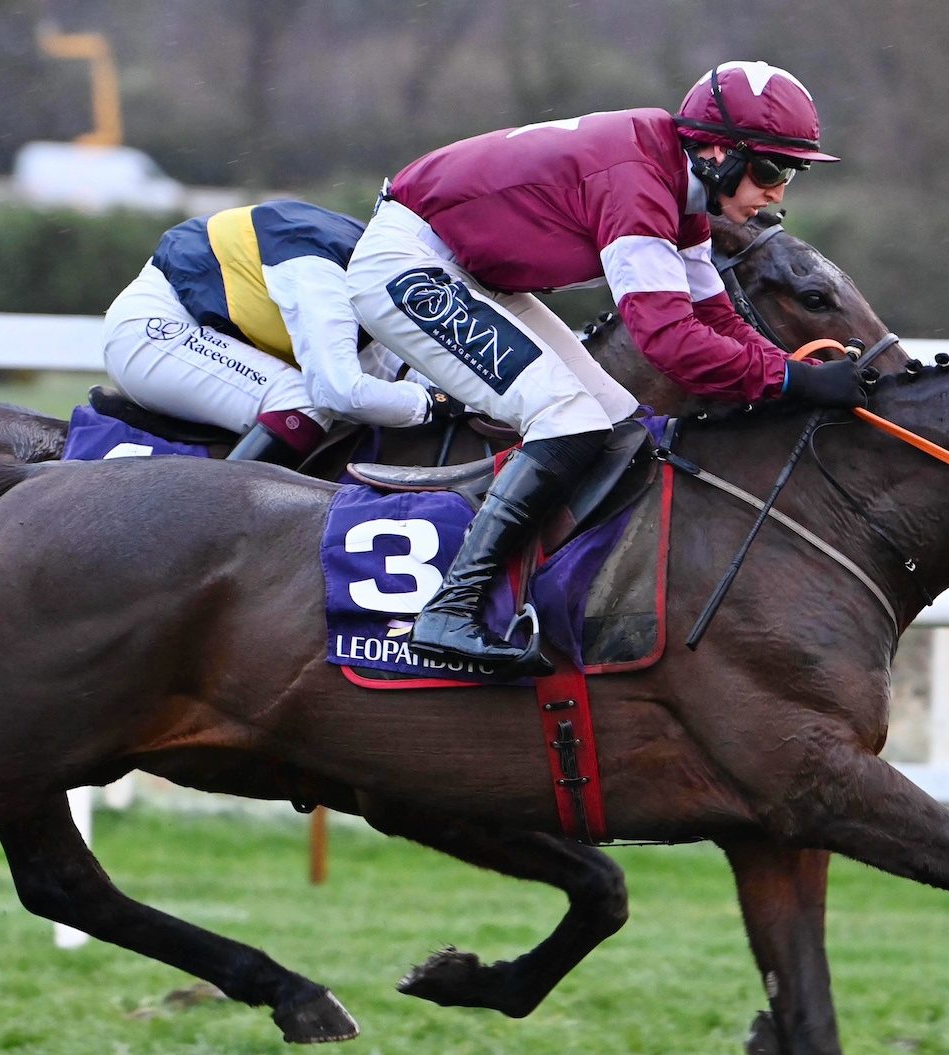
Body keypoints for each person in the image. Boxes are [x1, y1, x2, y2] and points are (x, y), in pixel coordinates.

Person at [347, 61, 867, 677]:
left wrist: (790, 368)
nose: (779, 192)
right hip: (408, 262)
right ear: (713, 150)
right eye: (770, 169)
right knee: (567, 419)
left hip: (473, 273)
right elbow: (670, 342)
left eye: (792, 172)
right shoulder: (640, 184)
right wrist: (791, 381)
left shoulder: (683, 195)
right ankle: (451, 608)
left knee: (622, 427)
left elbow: (716, 320)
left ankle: (547, 593)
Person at [103, 199, 453, 469]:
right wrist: (432, 403)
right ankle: (212, 527)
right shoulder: (323, 273)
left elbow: (394, 369)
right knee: (300, 402)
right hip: (155, 329)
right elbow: (341, 393)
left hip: (202, 320)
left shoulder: (372, 259)